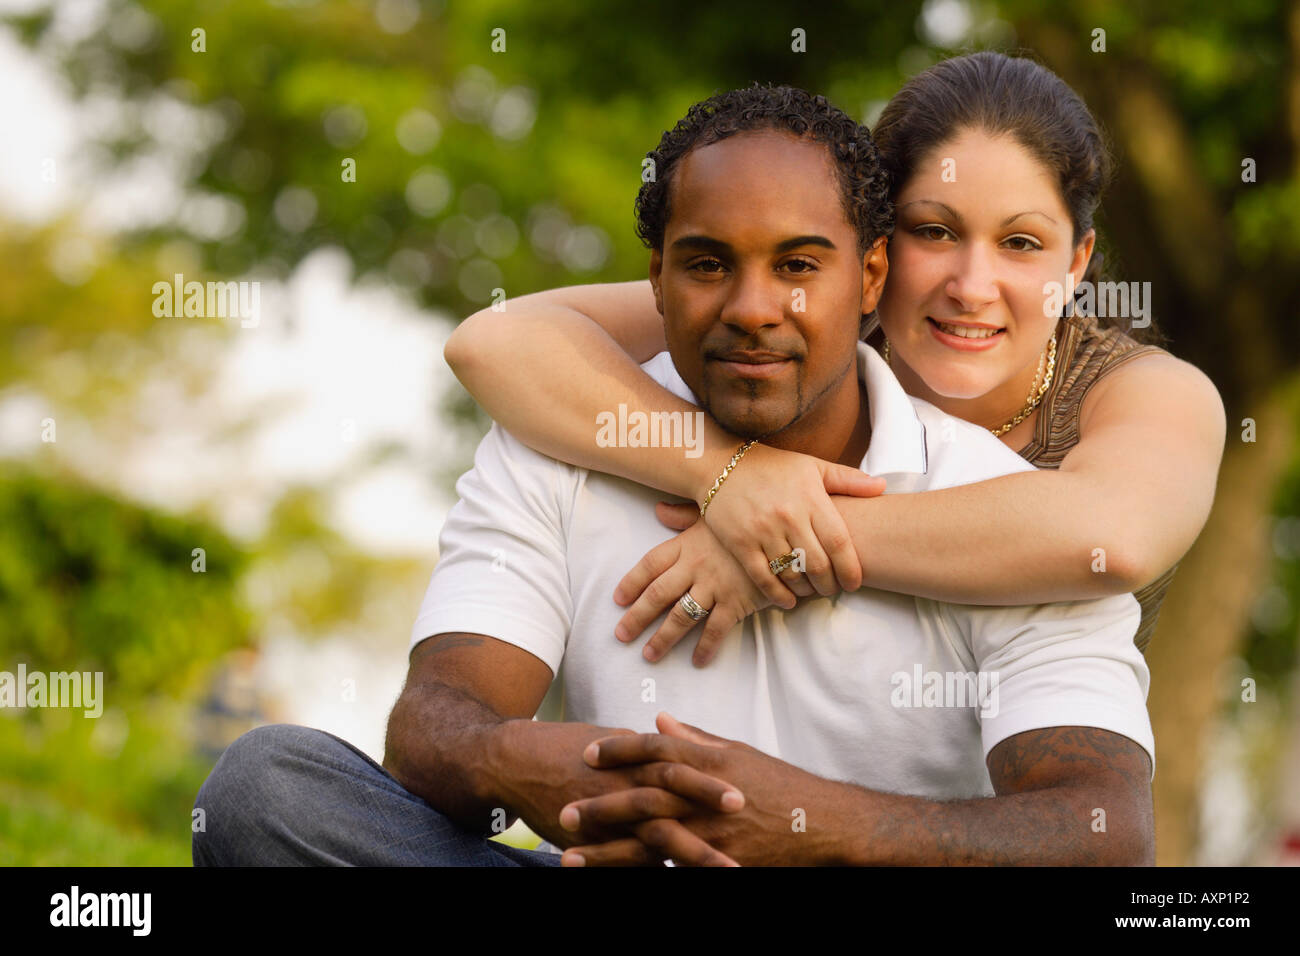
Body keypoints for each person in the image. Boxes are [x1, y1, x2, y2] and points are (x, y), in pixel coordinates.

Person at [193, 84, 1155, 867]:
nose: (751, 308)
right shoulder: (562, 440)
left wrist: (807, 828)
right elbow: (435, 721)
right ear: (655, 279)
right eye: (707, 264)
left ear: (868, 279)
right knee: (268, 790)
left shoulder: (1009, 520)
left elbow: (1103, 833)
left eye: (797, 265)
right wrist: (522, 762)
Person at [443, 52, 1226, 668]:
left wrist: (775, 540)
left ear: (1077, 261)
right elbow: (494, 342)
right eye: (935, 231)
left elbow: (1113, 535)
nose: (972, 286)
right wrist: (728, 474)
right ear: (873, 252)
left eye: (1020, 244)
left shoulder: (1141, 391)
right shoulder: (803, 317)